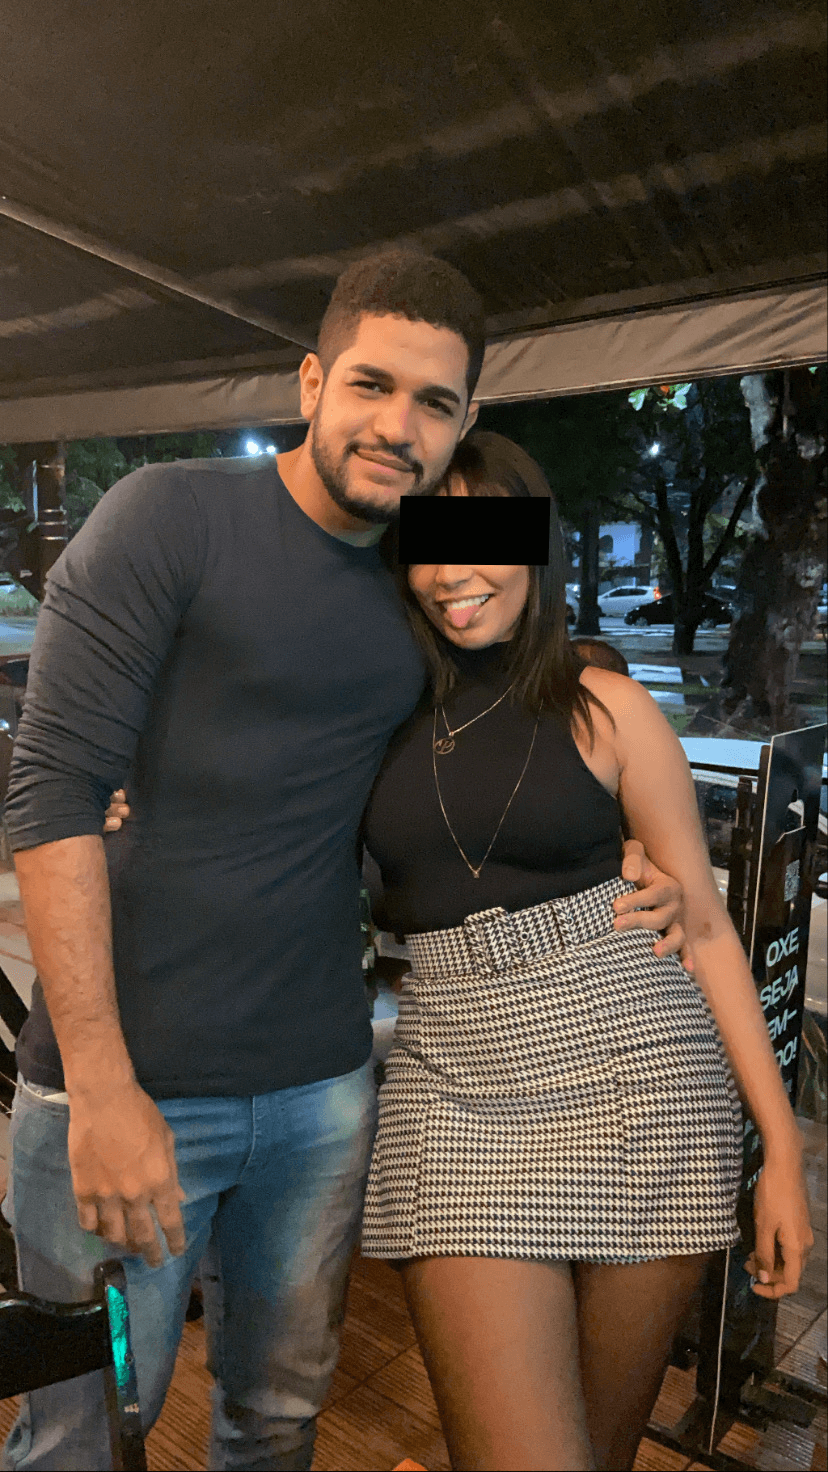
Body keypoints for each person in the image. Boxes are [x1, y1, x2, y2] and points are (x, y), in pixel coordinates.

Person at [1, 253, 685, 1472]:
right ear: (312, 380)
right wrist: (100, 1086)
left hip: (320, 1086)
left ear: (466, 420)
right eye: (372, 383)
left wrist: (635, 841)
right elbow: (50, 783)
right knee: (82, 1436)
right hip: (124, 1080)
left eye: (435, 401)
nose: (397, 425)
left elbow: (534, 690)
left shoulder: (421, 576)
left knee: (276, 1419)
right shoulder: (167, 512)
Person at [359, 432, 813, 1471]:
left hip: (641, 1078)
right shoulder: (375, 711)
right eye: (430, 544)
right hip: (454, 1082)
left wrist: (781, 1150)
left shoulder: (605, 704)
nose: (454, 571)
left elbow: (704, 928)